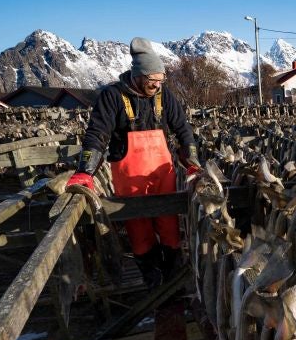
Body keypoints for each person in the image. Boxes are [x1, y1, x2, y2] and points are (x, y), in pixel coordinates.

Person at [67, 37, 201, 288]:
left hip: (162, 172)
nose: (157, 85)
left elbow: (183, 130)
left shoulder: (164, 95)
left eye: (161, 80)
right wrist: (85, 171)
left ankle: (172, 278)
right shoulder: (112, 96)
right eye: (152, 81)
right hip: (129, 176)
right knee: (140, 233)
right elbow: (97, 134)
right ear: (138, 76)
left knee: (170, 228)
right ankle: (151, 279)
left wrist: (192, 161)